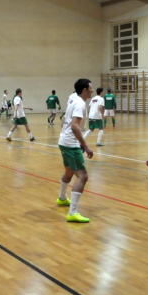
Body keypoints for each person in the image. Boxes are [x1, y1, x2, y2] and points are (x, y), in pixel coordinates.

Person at [57, 78, 94, 223]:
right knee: (83, 176)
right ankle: (72, 213)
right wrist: (85, 145)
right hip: (70, 144)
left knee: (69, 172)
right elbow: (74, 126)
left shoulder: (73, 99)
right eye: (90, 88)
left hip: (64, 141)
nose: (92, 90)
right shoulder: (79, 104)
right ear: (84, 90)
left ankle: (61, 198)